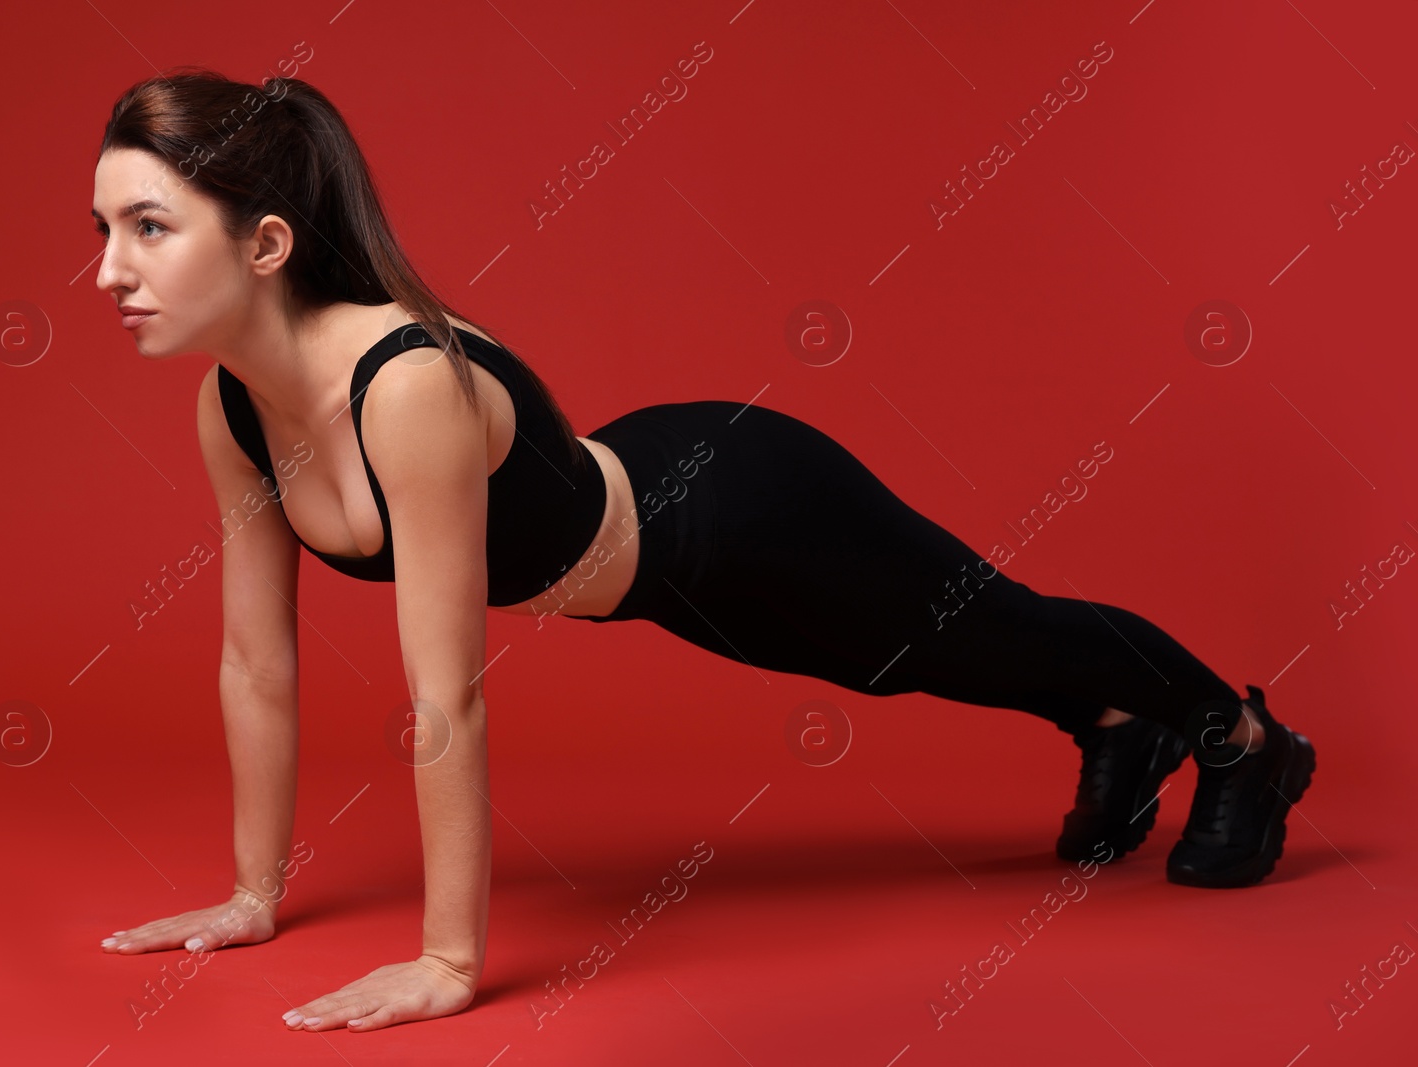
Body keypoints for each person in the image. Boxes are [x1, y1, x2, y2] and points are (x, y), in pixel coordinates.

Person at [90, 69, 1317, 1033]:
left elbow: (443, 695)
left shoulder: (404, 384)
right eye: (103, 227)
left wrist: (449, 959)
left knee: (982, 626)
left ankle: (1243, 737)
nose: (109, 270)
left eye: (148, 227)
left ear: (264, 244)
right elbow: (256, 665)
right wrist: (254, 897)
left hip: (736, 504)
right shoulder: (233, 409)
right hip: (660, 585)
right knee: (898, 667)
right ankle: (1115, 728)